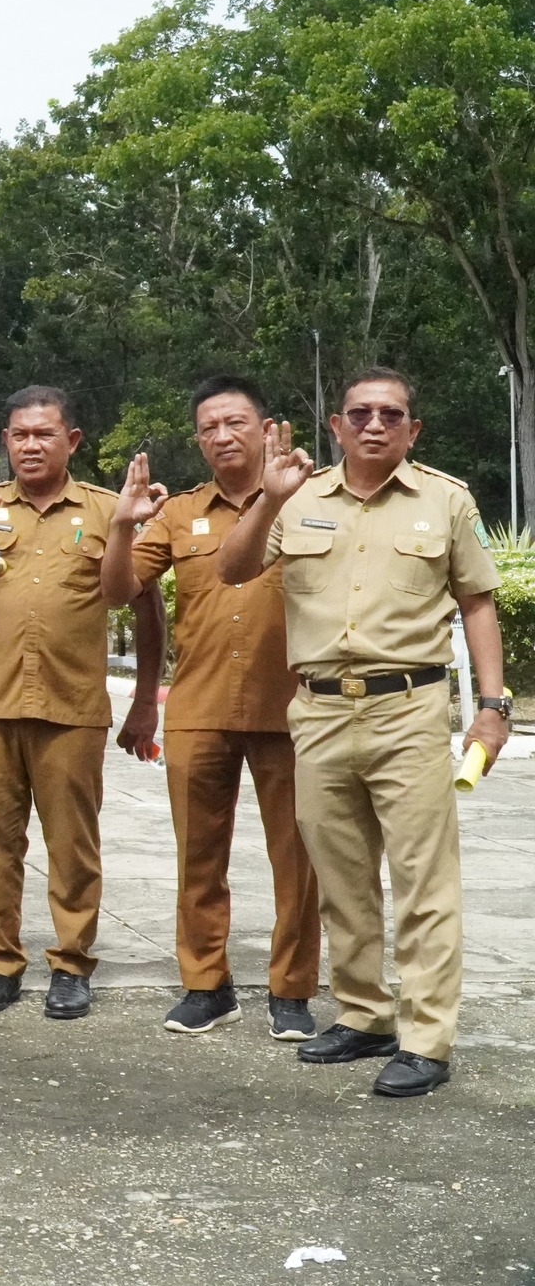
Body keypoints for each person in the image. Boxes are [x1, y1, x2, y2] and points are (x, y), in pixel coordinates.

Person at [217, 367, 507, 1097]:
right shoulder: (300, 495)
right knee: (340, 877)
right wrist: (267, 499)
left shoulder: (444, 501)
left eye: (391, 414)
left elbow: (476, 603)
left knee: (423, 881)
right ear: (336, 426)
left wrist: (493, 706)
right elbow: (234, 566)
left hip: (408, 709)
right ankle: (364, 1013)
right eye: (360, 413)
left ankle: (427, 1038)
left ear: (413, 430)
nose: (375, 424)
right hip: (317, 710)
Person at [0, 385, 165, 1021]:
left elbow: (142, 603)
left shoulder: (110, 510)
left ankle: (71, 964)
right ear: (6, 441)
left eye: (44, 434)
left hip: (71, 704)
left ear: (72, 442)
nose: (30, 445)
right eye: (19, 435)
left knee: (73, 842)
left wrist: (146, 700)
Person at [101, 376, 322, 1042]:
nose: (221, 436)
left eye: (234, 422)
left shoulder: (310, 499)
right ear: (197, 439)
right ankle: (206, 984)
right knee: (199, 856)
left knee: (298, 858)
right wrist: (120, 523)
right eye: (208, 427)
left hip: (292, 708)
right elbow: (118, 591)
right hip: (198, 706)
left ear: (264, 427)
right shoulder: (178, 513)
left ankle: (292, 990)